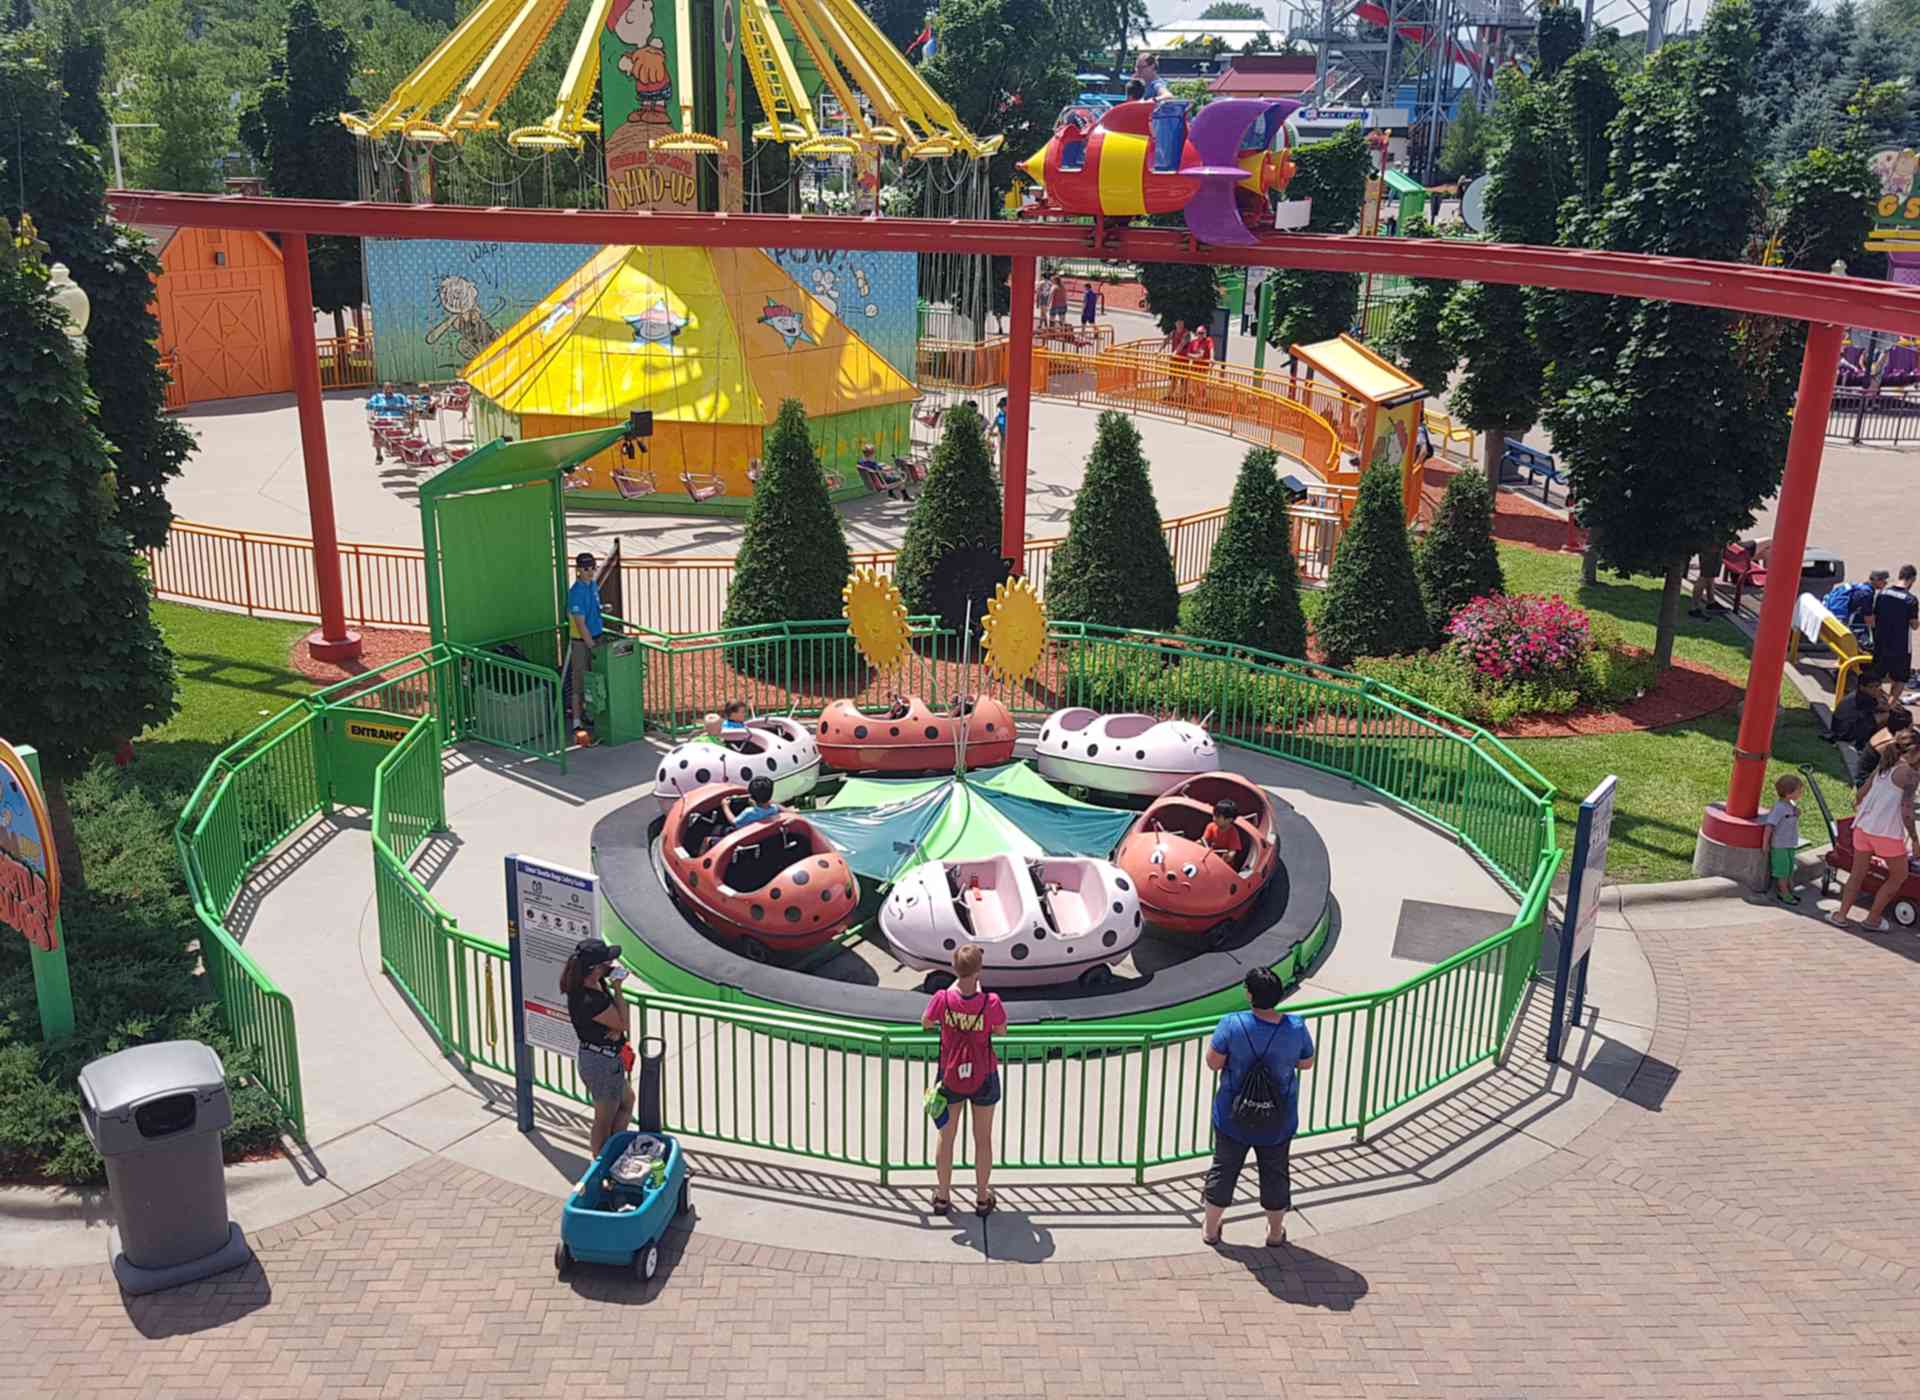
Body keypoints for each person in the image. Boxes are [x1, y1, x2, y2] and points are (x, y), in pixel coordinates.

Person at [1202, 967, 1315, 1247]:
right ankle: (1275, 1233)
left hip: (1233, 1116)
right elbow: (1306, 1063)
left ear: (1250, 995)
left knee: (1223, 1169)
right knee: (1275, 1173)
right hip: (1278, 1118)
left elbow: (1213, 1063)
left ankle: (1211, 1230)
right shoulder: (1296, 1026)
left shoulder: (1231, 1024)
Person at [921, 943, 1007, 1217]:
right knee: (983, 1139)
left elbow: (926, 1022)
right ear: (979, 970)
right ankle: (982, 1198)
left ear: (954, 968)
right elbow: (1001, 1030)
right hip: (984, 1074)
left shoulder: (942, 999)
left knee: (946, 1137)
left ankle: (942, 1196)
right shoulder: (990, 1002)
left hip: (950, 1074)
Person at [1830, 730, 1920, 932]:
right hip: (1886, 833)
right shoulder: (1910, 774)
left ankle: (1841, 915)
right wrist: (1914, 839)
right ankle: (1872, 920)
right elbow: (1906, 812)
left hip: (1863, 828)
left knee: (1857, 874)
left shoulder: (1884, 765)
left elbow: (1861, 794)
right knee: (1898, 876)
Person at [561, 938, 635, 1154]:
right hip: (601, 1063)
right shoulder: (589, 999)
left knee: (627, 1101)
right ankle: (601, 1160)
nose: (611, 965)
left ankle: (613, 1150)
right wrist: (618, 989)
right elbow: (623, 1023)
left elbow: (616, 1024)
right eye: (606, 963)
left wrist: (616, 1028)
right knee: (604, 1120)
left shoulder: (592, 983)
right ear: (595, 968)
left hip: (604, 1057)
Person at [566, 552, 604, 741]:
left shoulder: (593, 585)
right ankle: (576, 721)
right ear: (578, 570)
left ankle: (591, 714)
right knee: (579, 681)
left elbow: (594, 609)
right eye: (586, 568)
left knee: (594, 681)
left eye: (593, 568)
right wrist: (592, 647)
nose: (590, 572)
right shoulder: (576, 593)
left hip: (596, 637)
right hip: (582, 643)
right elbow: (580, 625)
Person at [1830, 676, 1890, 784]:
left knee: (1876, 717)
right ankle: (1874, 742)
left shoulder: (1858, 694)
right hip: (1846, 733)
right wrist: (1881, 697)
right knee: (1886, 716)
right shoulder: (1865, 698)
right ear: (1862, 687)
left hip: (1840, 728)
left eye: (1878, 686)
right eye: (1872, 687)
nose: (1876, 689)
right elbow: (1886, 708)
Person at [1870, 563, 1919, 685]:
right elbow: (1914, 626)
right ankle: (1891, 699)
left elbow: (1874, 617)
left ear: (1900, 575)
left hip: (1881, 643)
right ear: (1913, 579)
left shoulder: (1882, 593)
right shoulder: (1910, 600)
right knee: (1900, 679)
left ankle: (1878, 695)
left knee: (1877, 676)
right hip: (1900, 647)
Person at [1762, 774, 1803, 906]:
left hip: (1790, 843)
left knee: (1789, 868)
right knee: (1782, 871)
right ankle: (1783, 893)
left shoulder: (1791, 804)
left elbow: (1791, 817)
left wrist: (1797, 813)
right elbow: (1769, 826)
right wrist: (1765, 844)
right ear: (1788, 793)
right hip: (1780, 845)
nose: (1801, 793)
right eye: (1799, 791)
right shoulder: (1779, 808)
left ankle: (1788, 889)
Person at [1202, 798, 1244, 864]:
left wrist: (1229, 856)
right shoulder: (1211, 826)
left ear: (1229, 820)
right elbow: (1204, 840)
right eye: (1214, 815)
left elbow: (1232, 851)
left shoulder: (1233, 833)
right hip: (1208, 857)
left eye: (1218, 817)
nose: (1214, 819)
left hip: (1223, 863)